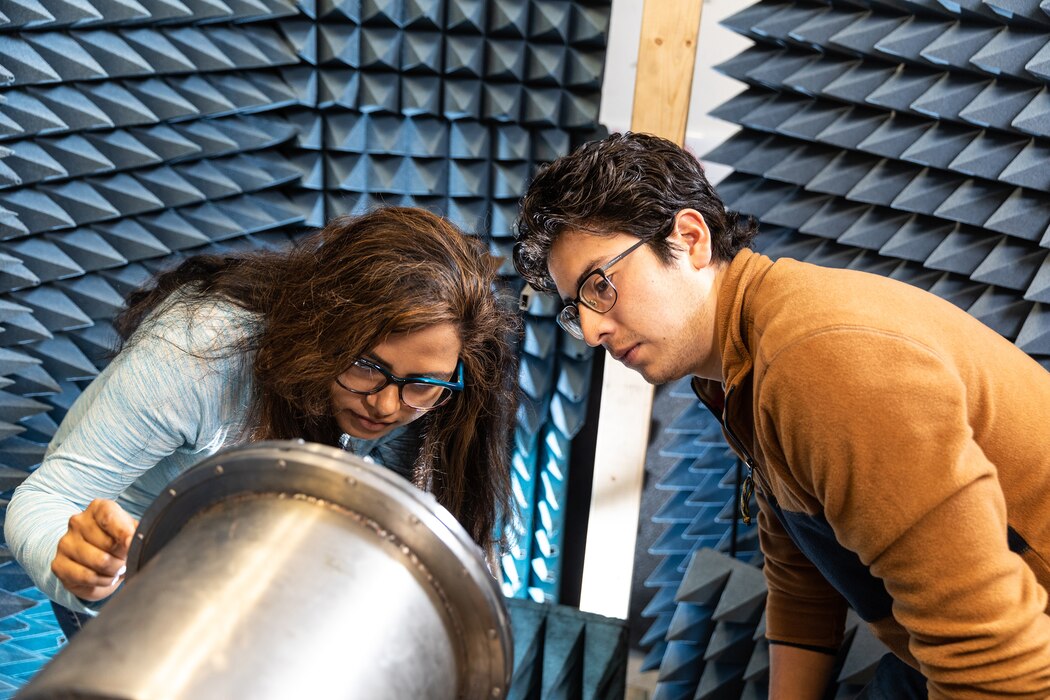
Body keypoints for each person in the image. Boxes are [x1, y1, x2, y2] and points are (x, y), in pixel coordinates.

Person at [513, 132, 1050, 699]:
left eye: (600, 285)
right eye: (575, 309)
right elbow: (802, 576)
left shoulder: (818, 362)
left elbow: (994, 661)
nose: (591, 330)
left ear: (690, 239)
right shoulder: (742, 368)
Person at [7, 206, 518, 639]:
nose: (387, 407)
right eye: (365, 365)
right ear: (320, 329)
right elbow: (44, 499)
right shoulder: (197, 354)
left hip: (245, 569)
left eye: (422, 384)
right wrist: (83, 564)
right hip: (132, 581)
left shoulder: (422, 386)